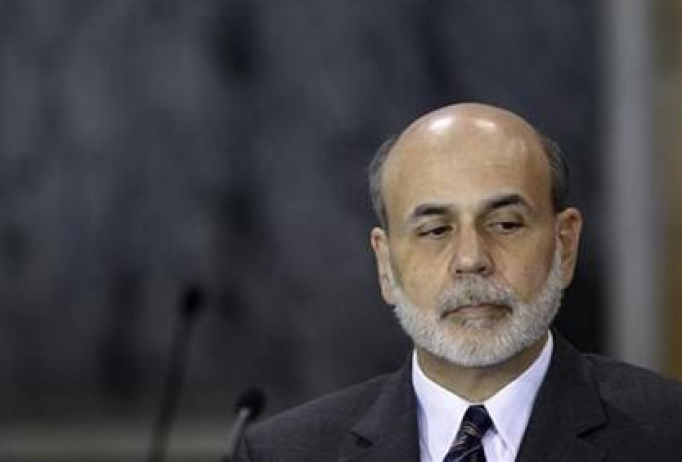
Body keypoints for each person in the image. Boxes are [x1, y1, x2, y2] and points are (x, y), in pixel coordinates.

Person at [233, 103, 682, 461]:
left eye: (505, 224)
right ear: (386, 264)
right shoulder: (284, 452)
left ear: (564, 245)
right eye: (435, 230)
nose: (471, 259)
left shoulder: (668, 432)